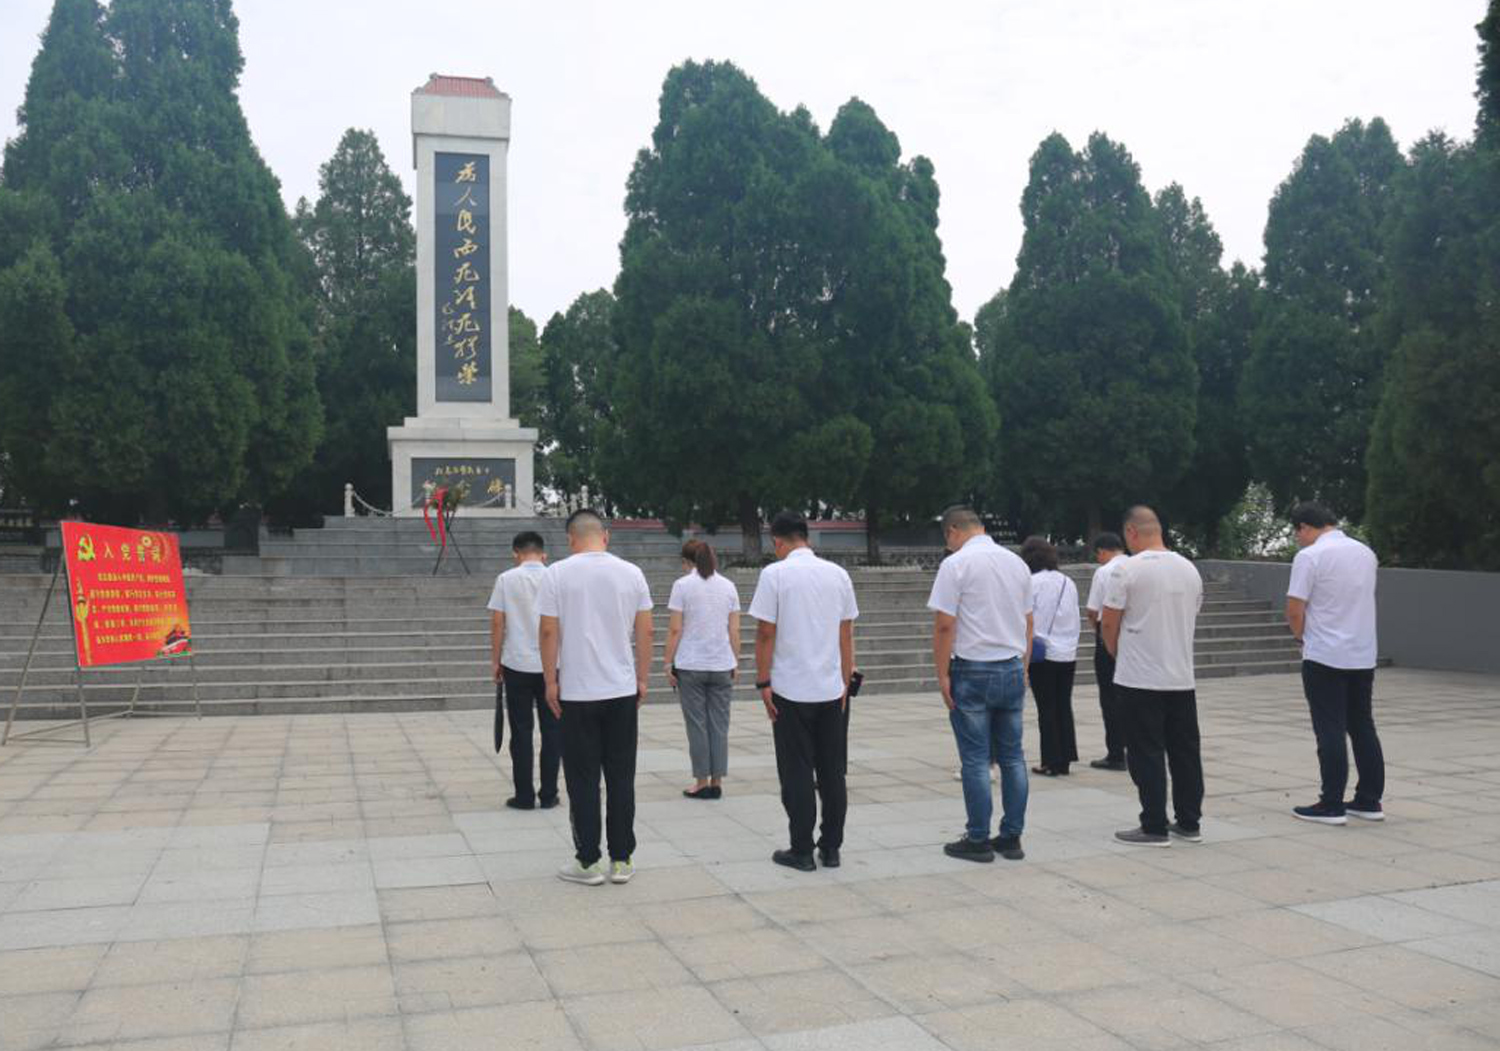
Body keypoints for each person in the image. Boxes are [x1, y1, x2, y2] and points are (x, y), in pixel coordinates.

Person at [538, 509, 653, 886]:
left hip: (577, 691)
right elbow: (646, 631)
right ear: (606, 535)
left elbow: (548, 632)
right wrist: (642, 677)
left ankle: (588, 860)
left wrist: (550, 681)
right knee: (621, 776)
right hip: (620, 689)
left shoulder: (557, 573)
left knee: (582, 778)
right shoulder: (631, 573)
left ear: (571, 539)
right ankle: (621, 859)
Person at [749, 511, 858, 872]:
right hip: (830, 688)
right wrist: (845, 682)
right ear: (806, 537)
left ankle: (801, 849)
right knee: (832, 772)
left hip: (790, 688)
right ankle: (831, 847)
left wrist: (763, 681)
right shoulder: (838, 575)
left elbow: (765, 633)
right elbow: (846, 633)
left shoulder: (775, 575)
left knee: (796, 771)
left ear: (778, 541)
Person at [929, 506, 1033, 863]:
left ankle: (978, 838)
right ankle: (1012, 836)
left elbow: (945, 624)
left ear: (953, 531)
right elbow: (1028, 620)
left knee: (975, 759)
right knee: (1013, 757)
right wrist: (1023, 666)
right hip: (1011, 665)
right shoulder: (1016, 563)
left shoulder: (956, 565)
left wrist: (942, 674)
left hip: (972, 668)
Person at [1101, 506, 1204, 847]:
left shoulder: (1126, 569)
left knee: (1146, 751)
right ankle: (1189, 821)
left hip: (1139, 677)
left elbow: (1109, 623)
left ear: (1131, 532)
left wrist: (1118, 654)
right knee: (1185, 751)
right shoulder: (1189, 569)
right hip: (1181, 675)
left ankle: (1154, 825)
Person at [1285, 502, 1384, 825]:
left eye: (1296, 532)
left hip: (1325, 654)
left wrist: (1301, 637)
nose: (1297, 539)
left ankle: (1331, 804)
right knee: (1362, 725)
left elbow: (1295, 608)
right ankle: (1369, 800)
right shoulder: (1365, 553)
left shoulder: (1310, 556)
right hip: (1362, 653)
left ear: (1304, 526)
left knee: (1329, 728)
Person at [487, 530, 560, 810]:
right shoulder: (556, 577)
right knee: (552, 730)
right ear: (543, 554)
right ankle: (549, 793)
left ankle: (524, 795)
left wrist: (496, 661)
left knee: (521, 731)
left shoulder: (506, 579)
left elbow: (498, 622)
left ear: (515, 553)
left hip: (516, 663)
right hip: (552, 665)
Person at [664, 539, 741, 800]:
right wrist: (735, 661)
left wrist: (668, 662)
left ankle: (701, 782)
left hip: (691, 664)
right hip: (721, 663)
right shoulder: (729, 586)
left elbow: (675, 629)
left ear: (687, 562)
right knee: (719, 724)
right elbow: (734, 631)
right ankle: (717, 781)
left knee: (697, 725)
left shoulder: (682, 586)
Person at [1021, 536, 1080, 777]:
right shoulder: (1068, 582)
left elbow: (1027, 618)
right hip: (1068, 652)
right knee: (1063, 705)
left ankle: (1051, 760)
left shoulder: (1032, 582)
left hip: (1042, 652)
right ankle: (1065, 757)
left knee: (1046, 708)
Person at [1084, 533, 1129, 770]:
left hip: (1108, 634)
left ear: (1102, 551)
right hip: (1134, 637)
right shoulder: (1136, 566)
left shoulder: (1104, 572)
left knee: (1110, 697)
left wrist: (1100, 632)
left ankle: (1116, 753)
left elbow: (1093, 611)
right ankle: (1136, 749)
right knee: (1132, 696)